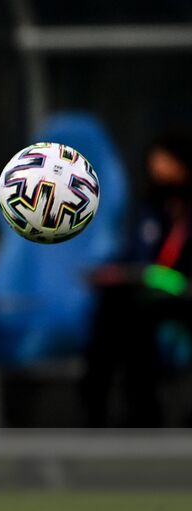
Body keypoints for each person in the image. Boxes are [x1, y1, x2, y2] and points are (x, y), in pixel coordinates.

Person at [82, 133, 192, 427]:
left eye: (166, 161)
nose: (158, 168)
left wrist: (157, 277)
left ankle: (145, 411)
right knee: (111, 305)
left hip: (182, 292)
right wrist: (117, 272)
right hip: (150, 292)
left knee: (135, 313)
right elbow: (136, 256)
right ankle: (97, 408)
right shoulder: (151, 208)